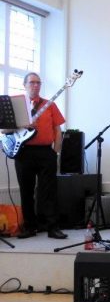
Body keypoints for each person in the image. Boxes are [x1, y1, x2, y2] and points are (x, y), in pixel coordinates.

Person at [14, 73, 67, 239]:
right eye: (32, 82)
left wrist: (56, 151)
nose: (36, 85)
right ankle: (29, 227)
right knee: (26, 190)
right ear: (24, 84)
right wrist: (23, 124)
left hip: (46, 152)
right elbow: (4, 130)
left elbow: (58, 130)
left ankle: (52, 227)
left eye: (38, 83)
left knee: (49, 191)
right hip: (24, 152)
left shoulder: (50, 105)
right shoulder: (17, 105)